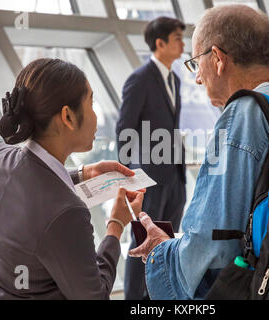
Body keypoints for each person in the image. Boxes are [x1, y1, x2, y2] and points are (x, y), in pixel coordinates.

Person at [128, 5, 269, 299]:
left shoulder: (241, 116)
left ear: (217, 59)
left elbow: (211, 244)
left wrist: (160, 252)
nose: (197, 78)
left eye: (195, 64)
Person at [0, 58, 144, 300]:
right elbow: (94, 295)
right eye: (91, 102)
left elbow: (30, 181)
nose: (96, 115)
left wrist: (83, 174)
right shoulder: (67, 213)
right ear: (67, 116)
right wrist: (116, 225)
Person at [116, 16, 187, 300]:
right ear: (160, 43)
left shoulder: (175, 80)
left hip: (174, 177)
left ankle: (159, 296)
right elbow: (124, 129)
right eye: (178, 38)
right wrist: (130, 175)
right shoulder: (140, 79)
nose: (183, 44)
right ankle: (134, 299)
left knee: (166, 242)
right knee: (141, 243)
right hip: (148, 179)